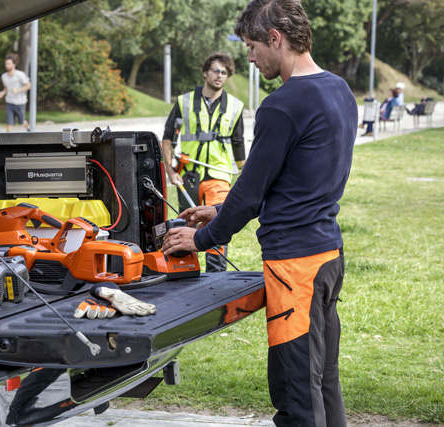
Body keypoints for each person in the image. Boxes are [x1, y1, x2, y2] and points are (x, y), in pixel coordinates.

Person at [161, 1, 357, 426]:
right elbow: (297, 182)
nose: (248, 58)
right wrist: (217, 209)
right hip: (327, 255)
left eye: (251, 46)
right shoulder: (338, 89)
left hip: (295, 266)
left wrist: (201, 239)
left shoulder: (282, 104)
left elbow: (250, 193)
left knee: (297, 395)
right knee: (323, 381)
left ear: (275, 38)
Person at [161, 52, 245, 272]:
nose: (219, 76)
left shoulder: (235, 106)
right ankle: (185, 272)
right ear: (205, 72)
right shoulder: (184, 102)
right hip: (187, 175)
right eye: (216, 70)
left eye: (224, 73)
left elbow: (238, 144)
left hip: (219, 176)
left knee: (217, 225)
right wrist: (170, 170)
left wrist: (245, 175)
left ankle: (216, 277)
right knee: (186, 224)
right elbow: (168, 137)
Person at [0, 53, 31, 132]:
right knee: (9, 123)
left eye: (8, 64)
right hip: (9, 102)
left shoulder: (20, 75)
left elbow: (29, 85)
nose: (6, 65)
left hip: (20, 102)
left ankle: (27, 127)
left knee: (21, 122)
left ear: (14, 64)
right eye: (6, 64)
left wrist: (18, 90)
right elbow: (6, 88)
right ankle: (8, 143)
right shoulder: (4, 76)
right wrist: (2, 93)